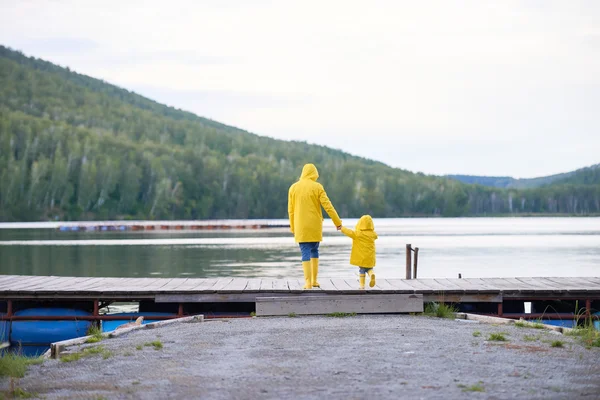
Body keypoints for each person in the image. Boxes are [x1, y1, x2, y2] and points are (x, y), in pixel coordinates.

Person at [288, 163, 342, 289]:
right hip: (315, 227)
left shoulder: (293, 188)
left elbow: (291, 211)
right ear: (314, 174)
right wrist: (337, 222)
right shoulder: (317, 187)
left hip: (300, 227)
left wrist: (292, 227)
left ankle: (307, 283)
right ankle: (314, 281)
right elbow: (328, 206)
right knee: (315, 250)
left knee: (304, 253)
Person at [340, 215, 378, 289]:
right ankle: (372, 274)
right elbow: (376, 236)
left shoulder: (358, 234)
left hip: (362, 258)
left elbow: (349, 232)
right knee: (370, 269)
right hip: (370, 258)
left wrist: (342, 228)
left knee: (362, 270)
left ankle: (362, 286)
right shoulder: (373, 234)